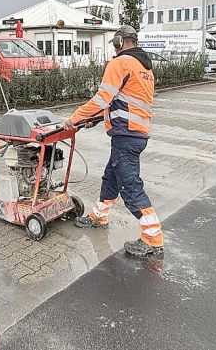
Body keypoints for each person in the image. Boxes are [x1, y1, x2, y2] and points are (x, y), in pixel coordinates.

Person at [65, 25, 163, 258]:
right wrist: (97, 120)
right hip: (135, 133)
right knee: (111, 177)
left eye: (115, 43)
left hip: (126, 136)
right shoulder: (144, 67)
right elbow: (123, 101)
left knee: (130, 187)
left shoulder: (120, 63)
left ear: (119, 41)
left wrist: (74, 118)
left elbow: (102, 99)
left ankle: (153, 237)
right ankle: (99, 216)